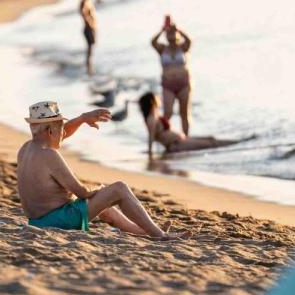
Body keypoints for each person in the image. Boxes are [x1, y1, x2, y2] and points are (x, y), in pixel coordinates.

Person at [17, 100, 180, 239]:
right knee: (119, 189)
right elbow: (82, 192)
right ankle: (161, 237)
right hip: (58, 221)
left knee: (105, 204)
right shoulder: (49, 155)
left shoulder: (26, 149)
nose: (64, 133)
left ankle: (144, 232)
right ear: (51, 130)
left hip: (37, 222)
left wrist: (81, 119)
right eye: (60, 127)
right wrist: (98, 189)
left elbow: (59, 135)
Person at [138, 92, 236, 155]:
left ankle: (239, 143)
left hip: (182, 140)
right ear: (152, 102)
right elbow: (151, 137)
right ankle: (237, 145)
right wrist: (150, 153)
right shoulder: (151, 119)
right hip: (177, 145)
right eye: (157, 98)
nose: (159, 99)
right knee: (211, 144)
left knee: (211, 139)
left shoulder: (155, 116)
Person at [151, 19, 193, 136]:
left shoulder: (183, 47)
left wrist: (179, 29)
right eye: (169, 34)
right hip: (168, 85)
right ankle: (164, 135)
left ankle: (186, 137)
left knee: (184, 113)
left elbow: (189, 40)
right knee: (168, 112)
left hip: (184, 84)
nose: (172, 36)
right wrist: (162, 30)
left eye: (173, 33)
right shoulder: (162, 49)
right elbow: (153, 42)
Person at [79, 0, 96, 75]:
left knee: (91, 47)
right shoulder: (84, 2)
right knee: (89, 48)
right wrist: (89, 22)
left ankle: (89, 66)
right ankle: (88, 67)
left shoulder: (88, 1)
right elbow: (82, 13)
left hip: (90, 27)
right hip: (88, 28)